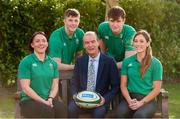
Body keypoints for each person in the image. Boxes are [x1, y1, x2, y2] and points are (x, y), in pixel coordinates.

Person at [68, 31, 119, 118]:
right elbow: (74, 83)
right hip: (82, 100)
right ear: (84, 45)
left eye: (93, 41)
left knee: (98, 113)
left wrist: (104, 99)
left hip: (99, 102)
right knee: (71, 108)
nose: (90, 45)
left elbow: (115, 86)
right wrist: (75, 95)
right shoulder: (80, 61)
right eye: (87, 43)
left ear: (98, 42)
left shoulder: (109, 62)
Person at [18, 32, 66, 118]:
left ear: (47, 44)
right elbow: (25, 88)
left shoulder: (53, 63)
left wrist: (50, 98)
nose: (41, 43)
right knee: (47, 111)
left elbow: (55, 86)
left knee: (62, 109)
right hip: (29, 101)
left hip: (47, 100)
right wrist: (43, 102)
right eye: (37, 41)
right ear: (32, 45)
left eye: (44, 41)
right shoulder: (26, 62)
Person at [116, 30, 163, 118]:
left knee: (139, 116)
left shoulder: (156, 63)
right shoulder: (127, 61)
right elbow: (123, 85)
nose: (138, 44)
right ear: (133, 43)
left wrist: (141, 103)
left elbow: (156, 89)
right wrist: (129, 101)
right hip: (130, 98)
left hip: (147, 100)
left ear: (148, 43)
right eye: (136, 41)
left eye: (141, 41)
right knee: (120, 114)